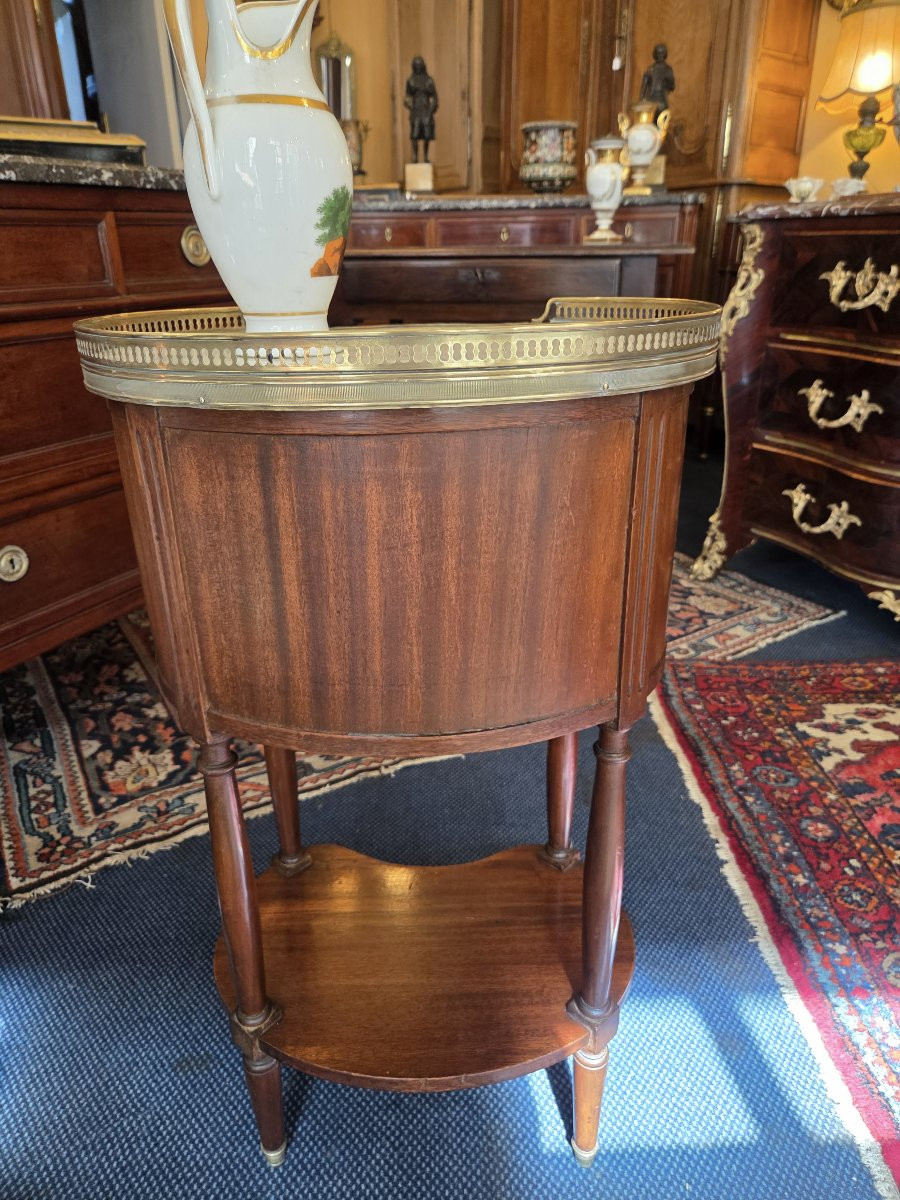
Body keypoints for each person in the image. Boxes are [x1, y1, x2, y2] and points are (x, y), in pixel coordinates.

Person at [405, 56, 438, 163]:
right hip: (416, 110)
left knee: (426, 135)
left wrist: (431, 110)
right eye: (416, 64)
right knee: (414, 135)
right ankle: (415, 156)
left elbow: (434, 97)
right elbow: (407, 97)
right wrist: (410, 105)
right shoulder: (411, 80)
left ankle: (426, 156)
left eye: (419, 64)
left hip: (425, 109)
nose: (418, 66)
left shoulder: (428, 80)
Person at [640, 44, 675, 120]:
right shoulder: (650, 69)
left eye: (662, 53)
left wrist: (666, 82)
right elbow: (643, 88)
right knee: (650, 126)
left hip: (662, 101)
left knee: (662, 125)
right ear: (655, 54)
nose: (660, 56)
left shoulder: (668, 70)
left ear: (665, 54)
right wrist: (641, 102)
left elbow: (672, 86)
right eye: (658, 53)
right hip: (650, 102)